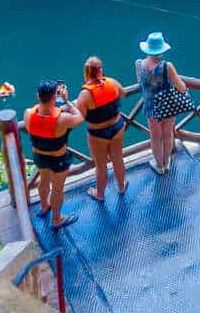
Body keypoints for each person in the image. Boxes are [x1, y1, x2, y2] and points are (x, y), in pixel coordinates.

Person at [25, 79, 86, 229]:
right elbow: (80, 118)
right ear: (54, 97)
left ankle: (45, 206)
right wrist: (68, 102)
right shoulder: (62, 119)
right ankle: (56, 219)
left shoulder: (28, 114)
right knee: (57, 189)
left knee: (44, 181)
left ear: (38, 96)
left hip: (39, 156)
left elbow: (38, 119)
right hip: (58, 159)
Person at [74, 56, 128, 202]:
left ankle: (100, 194)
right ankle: (122, 186)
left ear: (86, 73)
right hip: (117, 126)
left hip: (98, 133)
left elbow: (79, 117)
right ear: (100, 70)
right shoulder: (112, 82)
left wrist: (68, 103)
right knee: (118, 158)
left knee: (101, 166)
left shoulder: (84, 95)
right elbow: (123, 93)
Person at [136, 31, 187, 174]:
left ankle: (159, 166)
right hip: (168, 105)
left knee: (155, 137)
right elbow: (181, 87)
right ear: (162, 50)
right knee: (167, 134)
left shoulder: (139, 64)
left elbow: (140, 82)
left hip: (151, 106)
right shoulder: (167, 66)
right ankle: (166, 162)